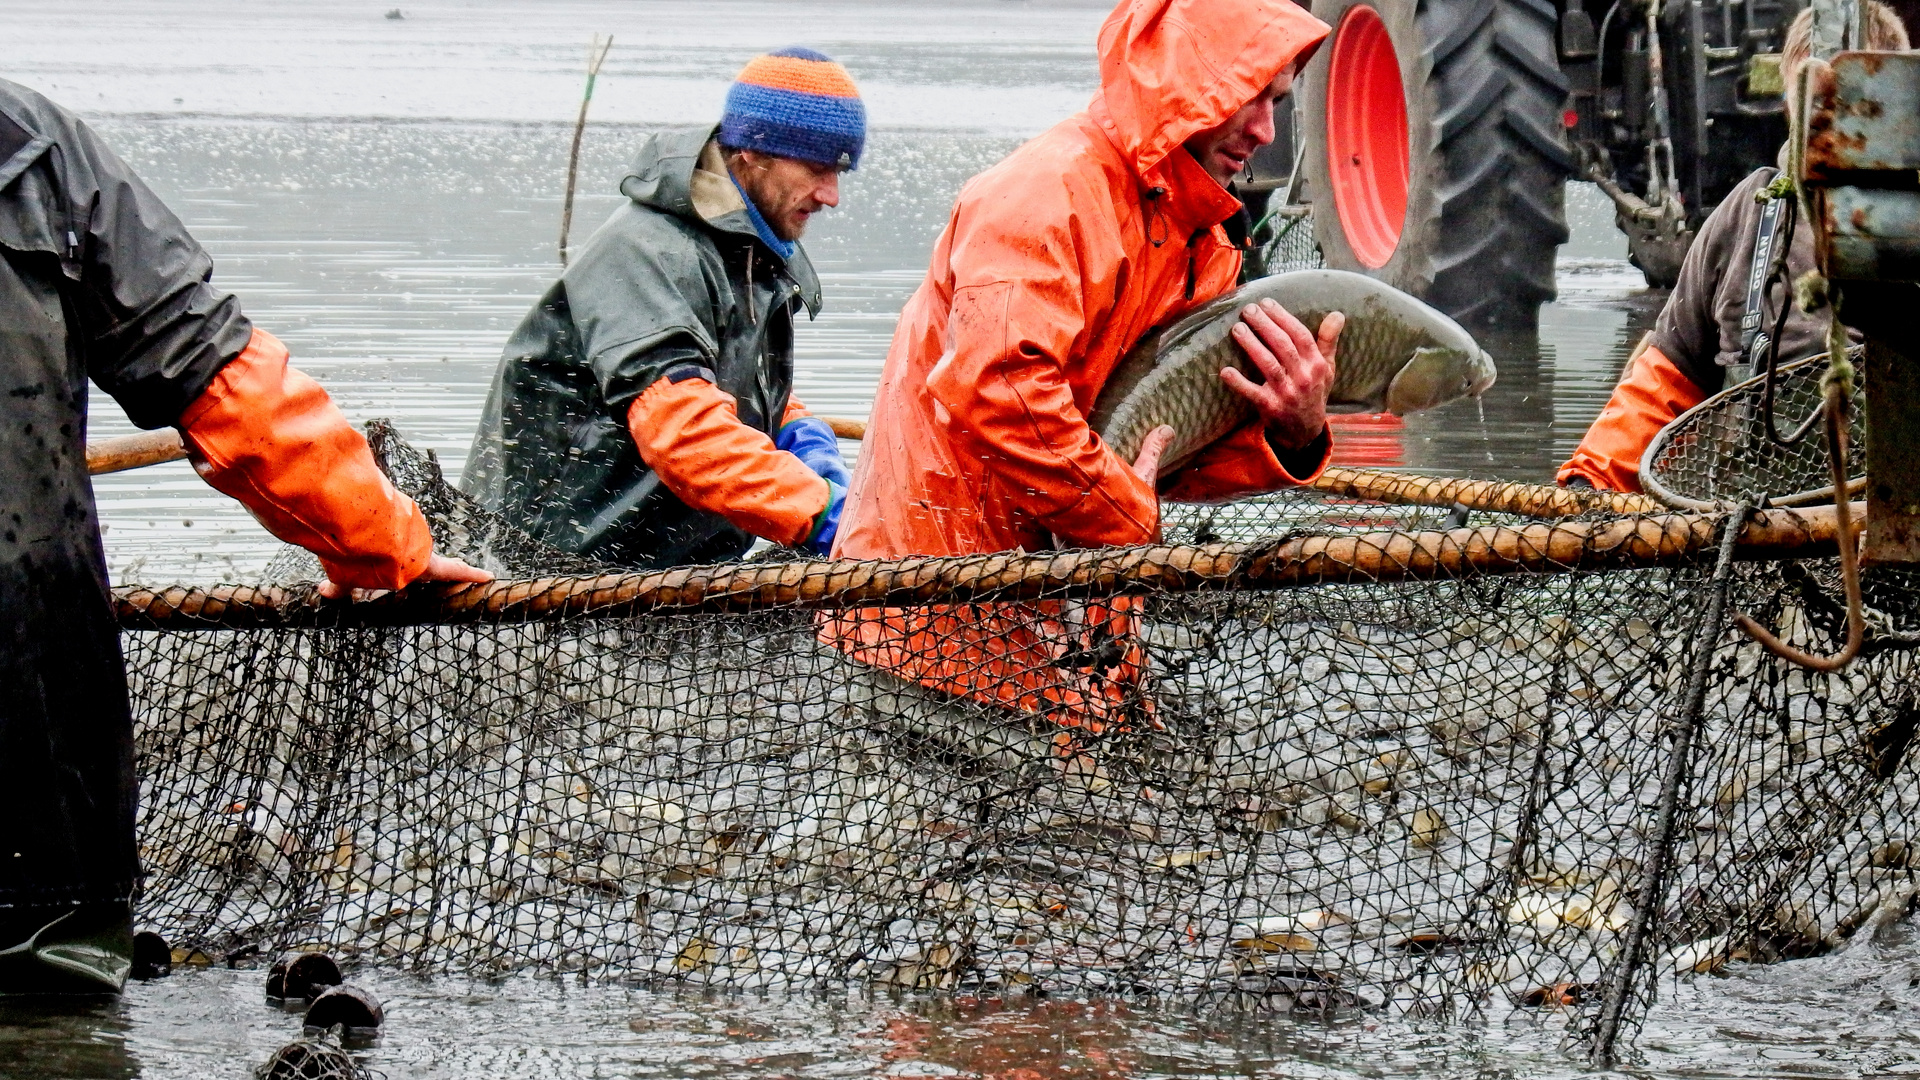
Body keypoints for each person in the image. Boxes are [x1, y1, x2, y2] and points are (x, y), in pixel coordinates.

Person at [0, 78, 489, 993]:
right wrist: (382, 547)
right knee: (45, 1006)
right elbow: (224, 384)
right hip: (26, 787)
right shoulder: (31, 147)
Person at [822, 0, 1336, 732]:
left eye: (1278, 103)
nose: (1264, 131)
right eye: (1247, 95)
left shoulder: (1204, 240)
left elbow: (1163, 462)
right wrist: (1126, 515)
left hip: (1077, 624)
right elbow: (998, 393)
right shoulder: (1047, 193)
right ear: (1184, 82)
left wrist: (1291, 433)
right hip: (935, 608)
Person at [462, 48, 863, 569]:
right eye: (816, 168)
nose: (831, 195)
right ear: (750, 152)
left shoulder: (747, 250)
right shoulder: (647, 253)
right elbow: (684, 432)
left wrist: (796, 430)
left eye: (839, 172)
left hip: (659, 573)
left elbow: (728, 375)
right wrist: (821, 513)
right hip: (549, 576)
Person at [1558, 3, 1910, 492]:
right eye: (1814, 95)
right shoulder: (1751, 211)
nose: (1829, 113)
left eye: (1851, 95)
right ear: (1789, 100)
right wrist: (1591, 485)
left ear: (1894, 94)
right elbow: (1668, 375)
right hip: (1760, 525)